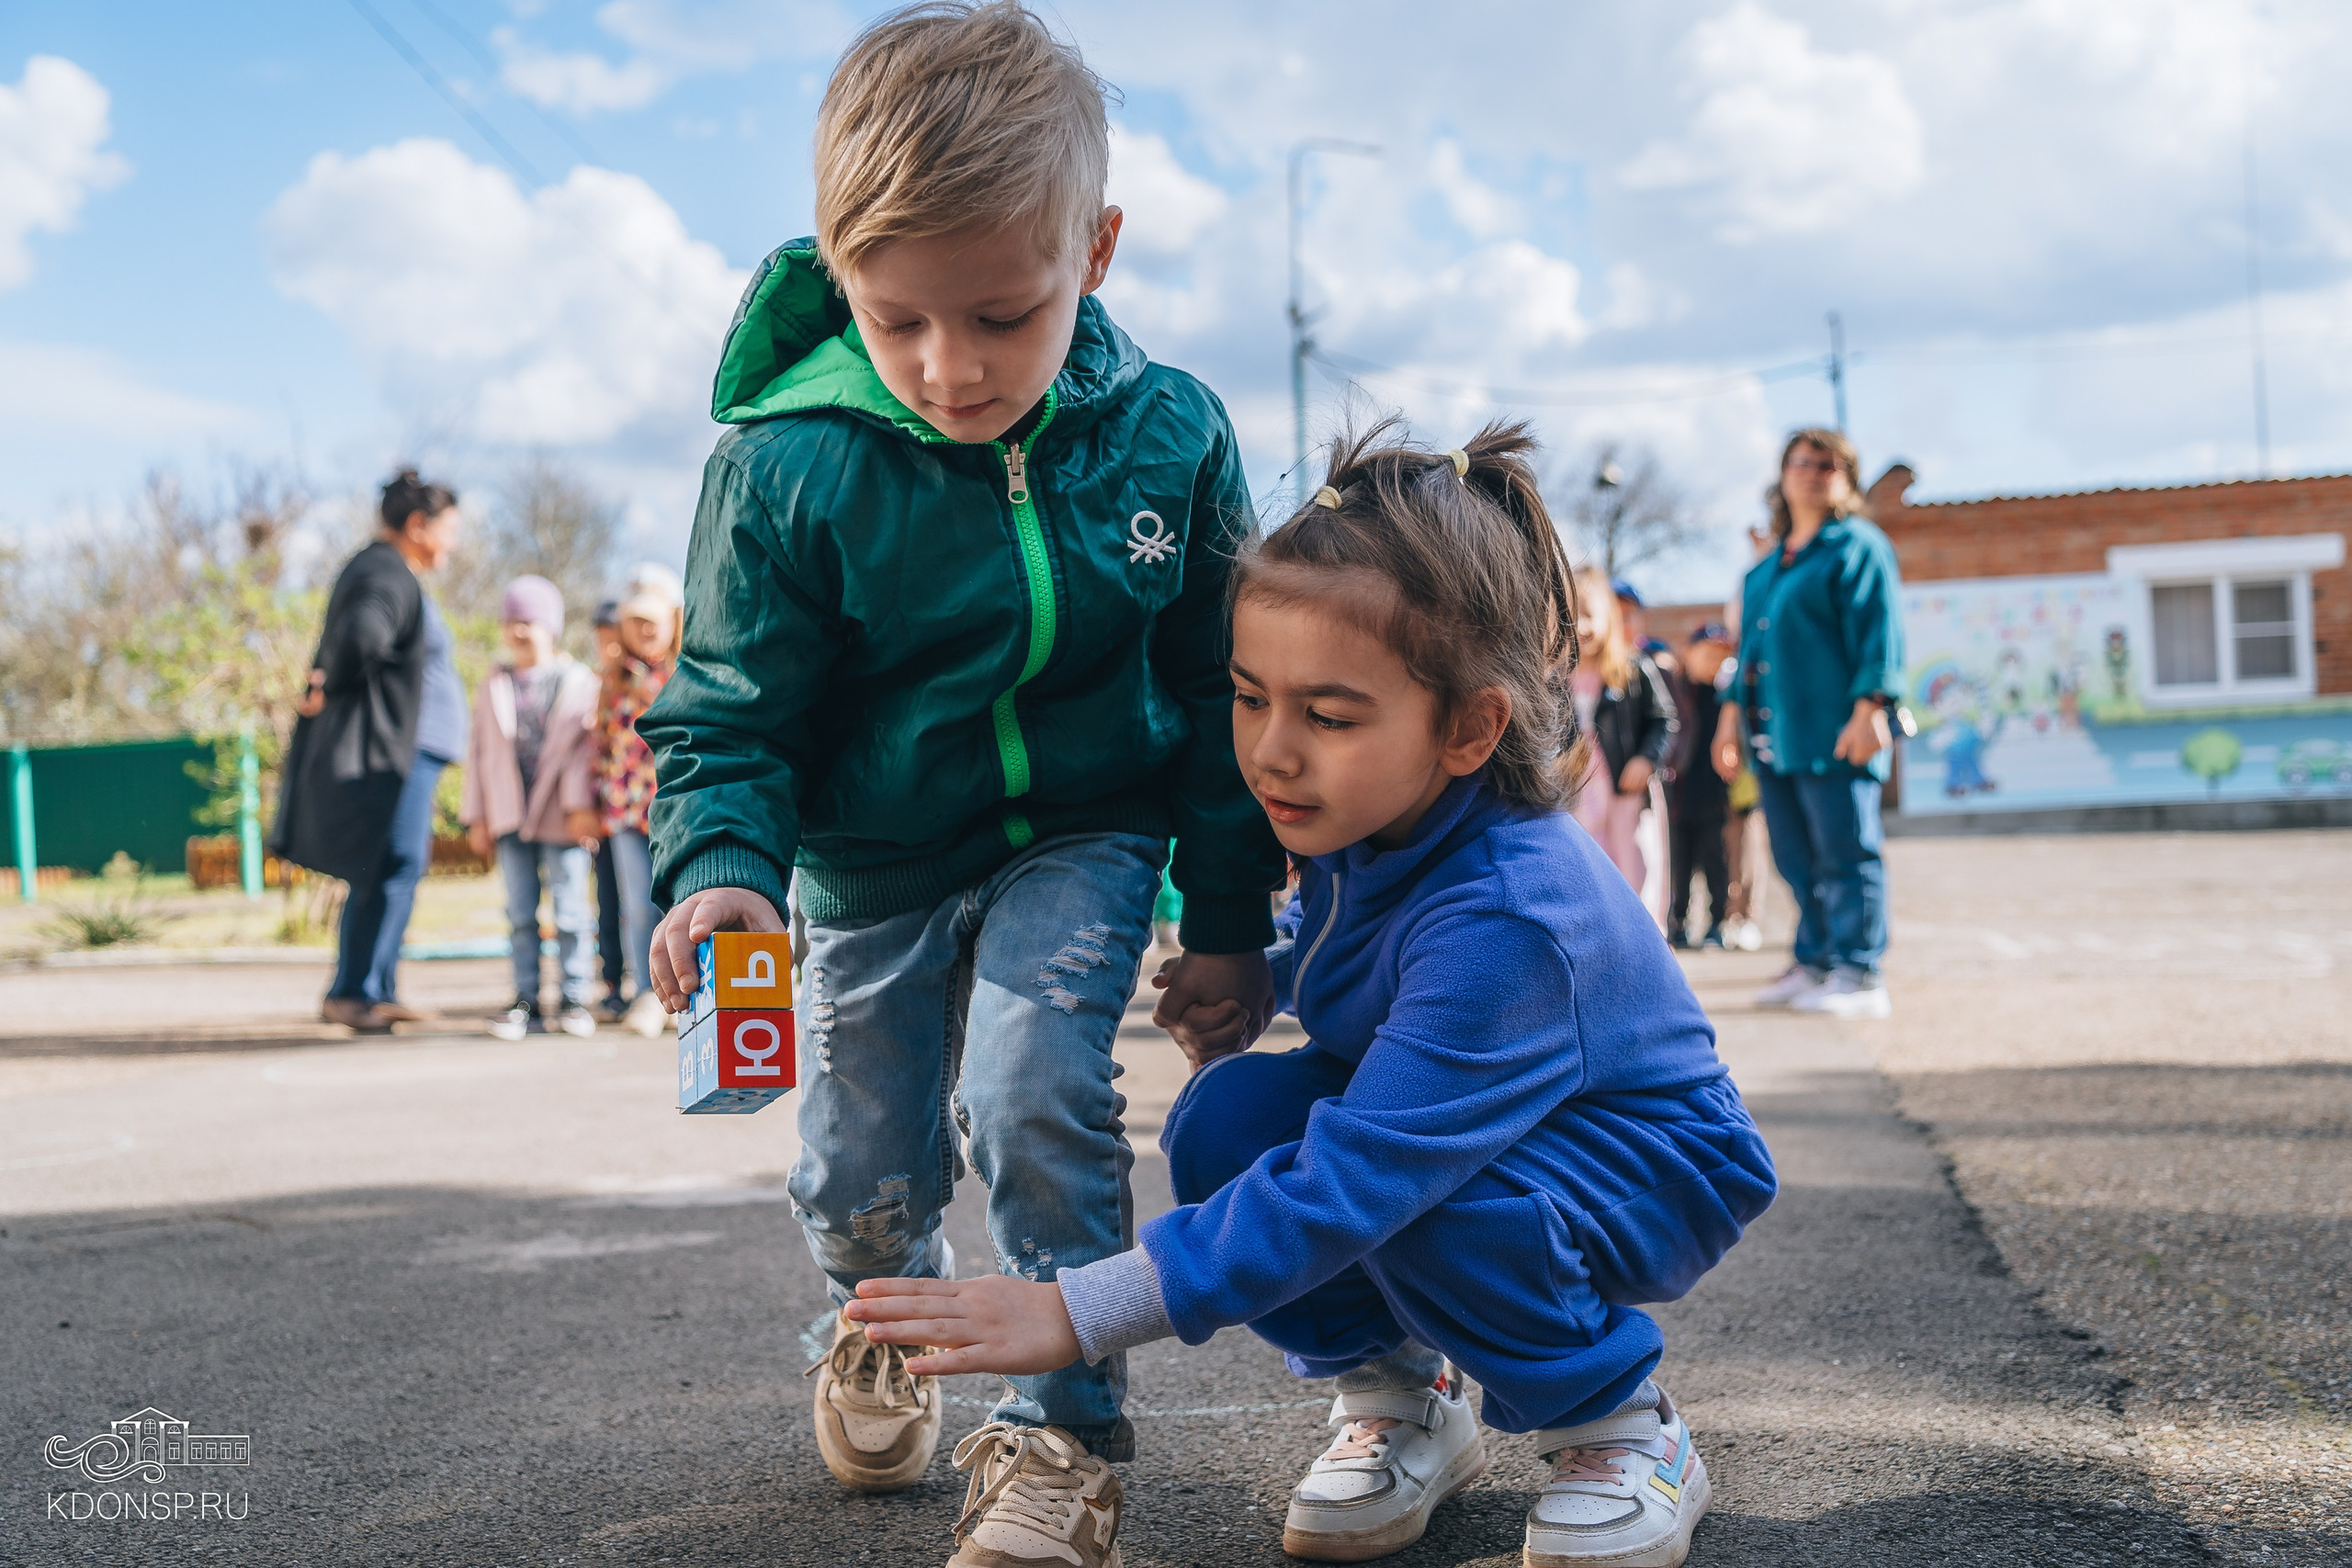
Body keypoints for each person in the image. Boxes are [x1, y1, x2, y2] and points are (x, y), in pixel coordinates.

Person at [846, 423, 1776, 1568]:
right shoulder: (1376, 812)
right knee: (1226, 1120)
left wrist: (1074, 1309)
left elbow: (1359, 1176)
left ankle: (1622, 1427)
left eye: (1327, 716)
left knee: (1410, 1195)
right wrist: (1271, 969)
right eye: (1249, 698)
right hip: (1495, 1140)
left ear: (1471, 728)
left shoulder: (1511, 919)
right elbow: (1363, 943)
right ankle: (1402, 1399)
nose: (1272, 754)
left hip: (1647, 1164)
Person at [635, 7, 1285, 1565]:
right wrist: (719, 863)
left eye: (1004, 313)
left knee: (1035, 1089)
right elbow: (728, 712)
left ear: (1098, 249)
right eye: (897, 318)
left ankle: (1060, 1440)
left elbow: (1217, 692)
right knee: (862, 1172)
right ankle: (885, 1309)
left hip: (1086, 827)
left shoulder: (1170, 433)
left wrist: (1231, 914)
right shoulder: (783, 466)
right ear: (840, 270)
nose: (950, 367)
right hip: (869, 864)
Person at [275, 469, 466, 1034]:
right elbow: (363, 635)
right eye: (449, 529)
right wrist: (330, 682)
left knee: (392, 865)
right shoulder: (384, 570)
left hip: (408, 752)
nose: (453, 543)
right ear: (417, 525)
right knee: (391, 864)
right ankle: (354, 991)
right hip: (396, 751)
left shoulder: (389, 570)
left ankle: (375, 988)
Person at [1739, 428, 1905, 1020]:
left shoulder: (1857, 545)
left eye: (1828, 464)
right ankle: (1815, 961)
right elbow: (1749, 657)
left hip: (1837, 731)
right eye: (1801, 462)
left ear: (1848, 479)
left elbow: (1879, 636)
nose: (1813, 472)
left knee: (1846, 852)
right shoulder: (1766, 568)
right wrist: (1724, 727)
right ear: (1783, 475)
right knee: (1795, 857)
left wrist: (1871, 708)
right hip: (1775, 737)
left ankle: (1860, 973)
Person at [460, 576, 603, 1040]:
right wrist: (477, 814)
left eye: (528, 621)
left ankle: (575, 996)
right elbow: (479, 752)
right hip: (509, 814)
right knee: (519, 912)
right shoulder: (494, 684)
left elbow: (587, 753)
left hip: (562, 813)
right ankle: (525, 1000)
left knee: (570, 911)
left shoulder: (579, 681)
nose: (519, 631)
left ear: (551, 626)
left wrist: (582, 805)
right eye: (511, 621)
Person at [595, 566, 683, 1037]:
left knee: (679, 901)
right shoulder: (613, 679)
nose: (645, 629)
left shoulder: (691, 674)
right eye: (635, 621)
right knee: (636, 903)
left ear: (674, 619)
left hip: (678, 808)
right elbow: (602, 745)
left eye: (653, 620)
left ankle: (685, 993)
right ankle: (647, 994)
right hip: (627, 811)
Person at [1568, 569, 1677, 910]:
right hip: (1580, 795)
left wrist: (1646, 759)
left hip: (1624, 790)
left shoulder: (1633, 669)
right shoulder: (1556, 679)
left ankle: (1646, 944)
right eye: (1571, 617)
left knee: (1634, 867)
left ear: (1609, 617)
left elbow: (1664, 719)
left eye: (1588, 615)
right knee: (1589, 867)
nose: (1580, 627)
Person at [1666, 624, 1736, 948]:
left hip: (1713, 793)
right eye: (1707, 654)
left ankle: (1717, 922)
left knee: (1715, 861)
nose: (1713, 664)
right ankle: (1677, 921)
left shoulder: (1724, 698)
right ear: (1688, 653)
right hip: (1678, 795)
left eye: (1721, 658)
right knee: (1678, 863)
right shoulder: (1672, 691)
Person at [589, 600, 630, 1023]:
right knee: (608, 900)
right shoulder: (603, 685)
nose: (608, 650)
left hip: (650, 812)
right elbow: (597, 752)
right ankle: (614, 984)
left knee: (643, 902)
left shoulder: (647, 679)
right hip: (610, 814)